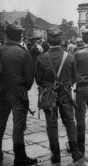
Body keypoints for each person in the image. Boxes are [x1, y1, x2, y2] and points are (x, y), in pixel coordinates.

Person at [35, 28, 83, 165]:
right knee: (69, 122)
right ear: (61, 40)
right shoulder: (70, 57)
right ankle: (75, 153)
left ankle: (55, 156)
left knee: (51, 124)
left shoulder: (42, 58)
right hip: (66, 94)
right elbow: (74, 78)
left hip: (49, 95)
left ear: (48, 41)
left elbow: (38, 80)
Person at [0, 24, 37, 165]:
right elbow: (29, 77)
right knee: (18, 125)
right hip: (18, 94)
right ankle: (20, 157)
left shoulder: (1, 50)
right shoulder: (23, 52)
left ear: (6, 35)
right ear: (20, 36)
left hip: (1, 91)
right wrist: (23, 88)